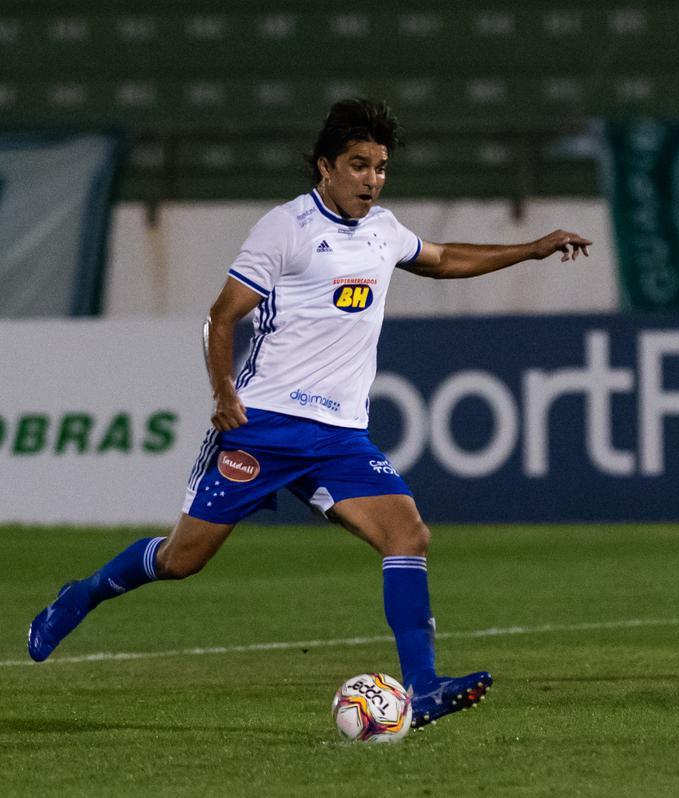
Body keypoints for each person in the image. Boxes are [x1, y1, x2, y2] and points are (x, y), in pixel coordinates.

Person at [27, 98, 592, 728]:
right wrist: (224, 394)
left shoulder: (382, 230)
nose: (372, 180)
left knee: (407, 534)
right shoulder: (284, 228)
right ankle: (78, 597)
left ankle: (425, 686)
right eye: (358, 165)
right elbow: (222, 316)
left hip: (340, 437)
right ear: (325, 167)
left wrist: (533, 248)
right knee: (182, 560)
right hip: (262, 426)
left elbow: (441, 260)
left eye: (380, 167)